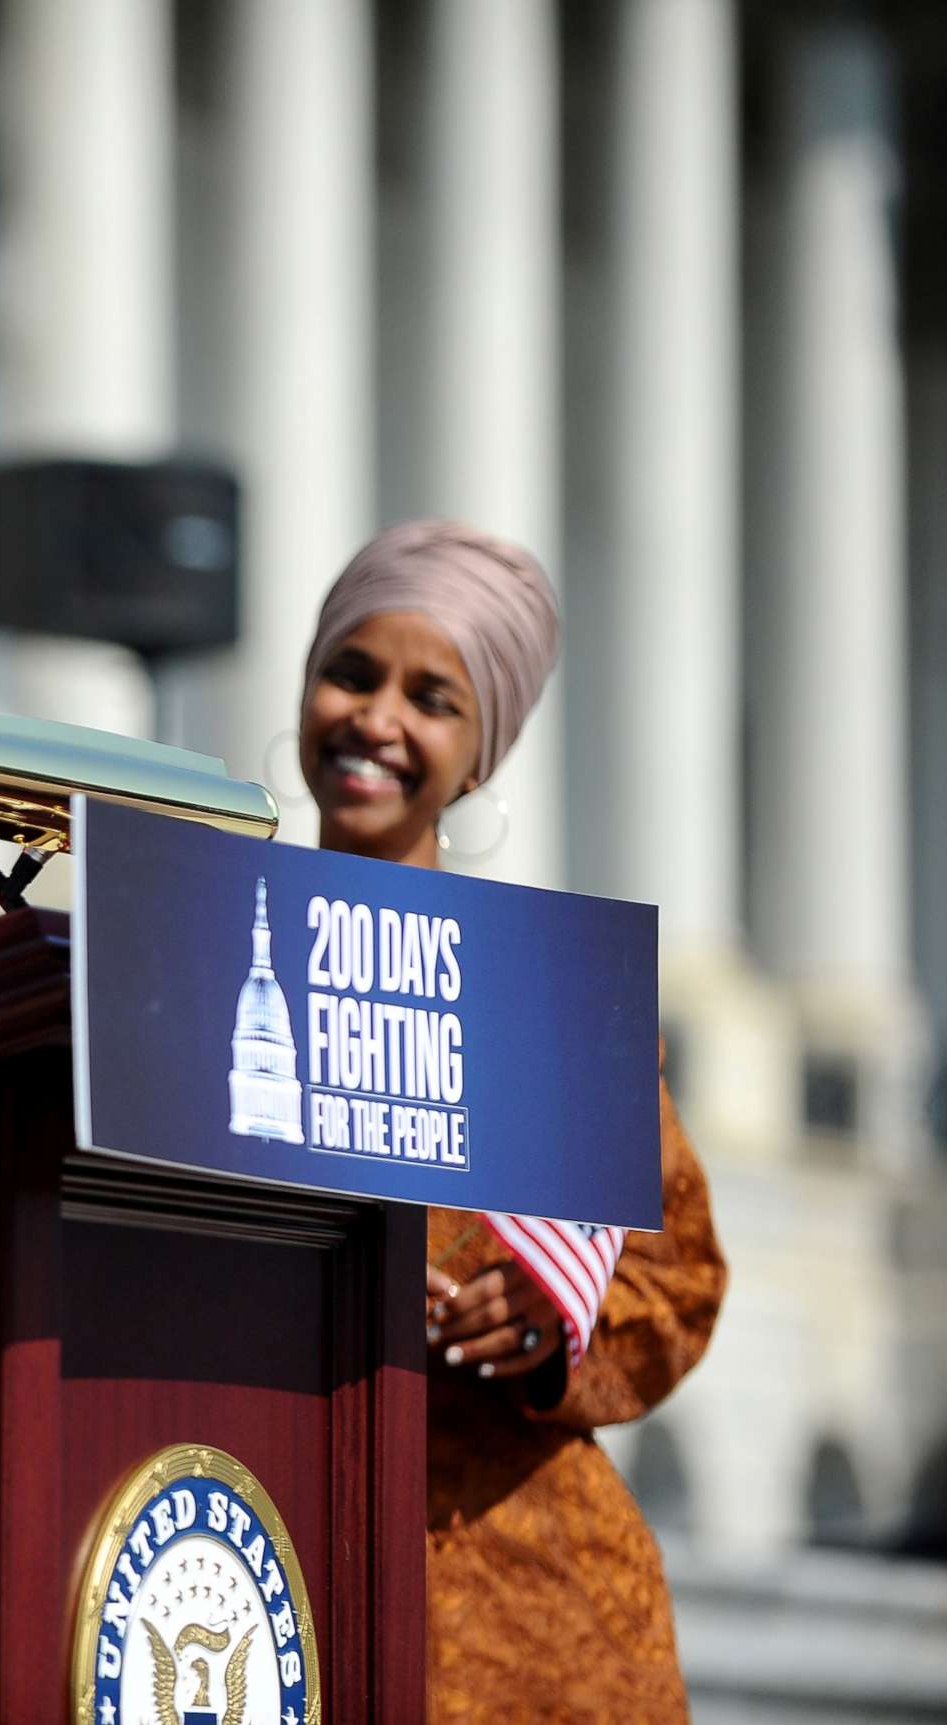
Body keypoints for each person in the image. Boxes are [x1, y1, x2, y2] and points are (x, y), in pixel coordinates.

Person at [295, 518, 725, 1720]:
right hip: (254, 1558)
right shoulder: (215, 946)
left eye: (432, 699)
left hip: (527, 1621)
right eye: (352, 673)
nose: (377, 720)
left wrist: (552, 1326)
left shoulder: (543, 993)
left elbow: (674, 1279)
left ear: (480, 757)